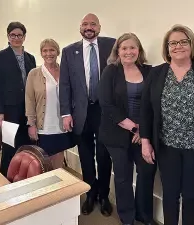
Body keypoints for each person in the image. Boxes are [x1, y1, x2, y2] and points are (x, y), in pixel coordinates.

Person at [140, 24, 194, 225]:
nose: (178, 46)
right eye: (173, 43)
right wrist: (145, 142)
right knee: (170, 195)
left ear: (192, 45)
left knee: (192, 196)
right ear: (167, 48)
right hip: (166, 147)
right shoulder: (156, 73)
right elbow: (146, 111)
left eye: (183, 41)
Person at [59, 13, 115, 216]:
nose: (89, 27)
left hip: (105, 111)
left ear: (99, 27)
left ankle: (104, 195)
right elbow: (64, 85)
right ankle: (90, 194)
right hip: (80, 112)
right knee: (85, 155)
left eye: (93, 24)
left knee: (104, 155)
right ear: (80, 27)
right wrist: (65, 113)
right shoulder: (68, 51)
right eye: (85, 24)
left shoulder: (113, 45)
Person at [99, 33, 158, 225]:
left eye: (133, 47)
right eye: (124, 48)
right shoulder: (110, 71)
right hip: (116, 134)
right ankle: (128, 218)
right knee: (123, 177)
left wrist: (143, 131)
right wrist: (134, 128)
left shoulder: (149, 71)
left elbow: (154, 103)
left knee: (146, 173)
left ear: (139, 50)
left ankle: (144, 215)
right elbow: (107, 105)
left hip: (143, 134)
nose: (128, 52)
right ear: (118, 51)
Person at [0, 22, 36, 176]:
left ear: (24, 37)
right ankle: (5, 179)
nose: (16, 38)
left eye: (19, 35)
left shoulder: (31, 58)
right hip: (9, 110)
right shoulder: (0, 56)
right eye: (13, 35)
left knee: (26, 145)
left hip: (27, 110)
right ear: (8, 37)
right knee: (9, 146)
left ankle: (24, 177)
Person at [25, 39, 75, 169]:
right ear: (41, 53)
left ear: (57, 52)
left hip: (62, 123)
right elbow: (29, 100)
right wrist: (31, 124)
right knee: (44, 161)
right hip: (44, 125)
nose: (49, 53)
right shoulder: (34, 74)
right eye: (45, 50)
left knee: (58, 158)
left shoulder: (66, 71)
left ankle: (57, 186)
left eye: (52, 50)